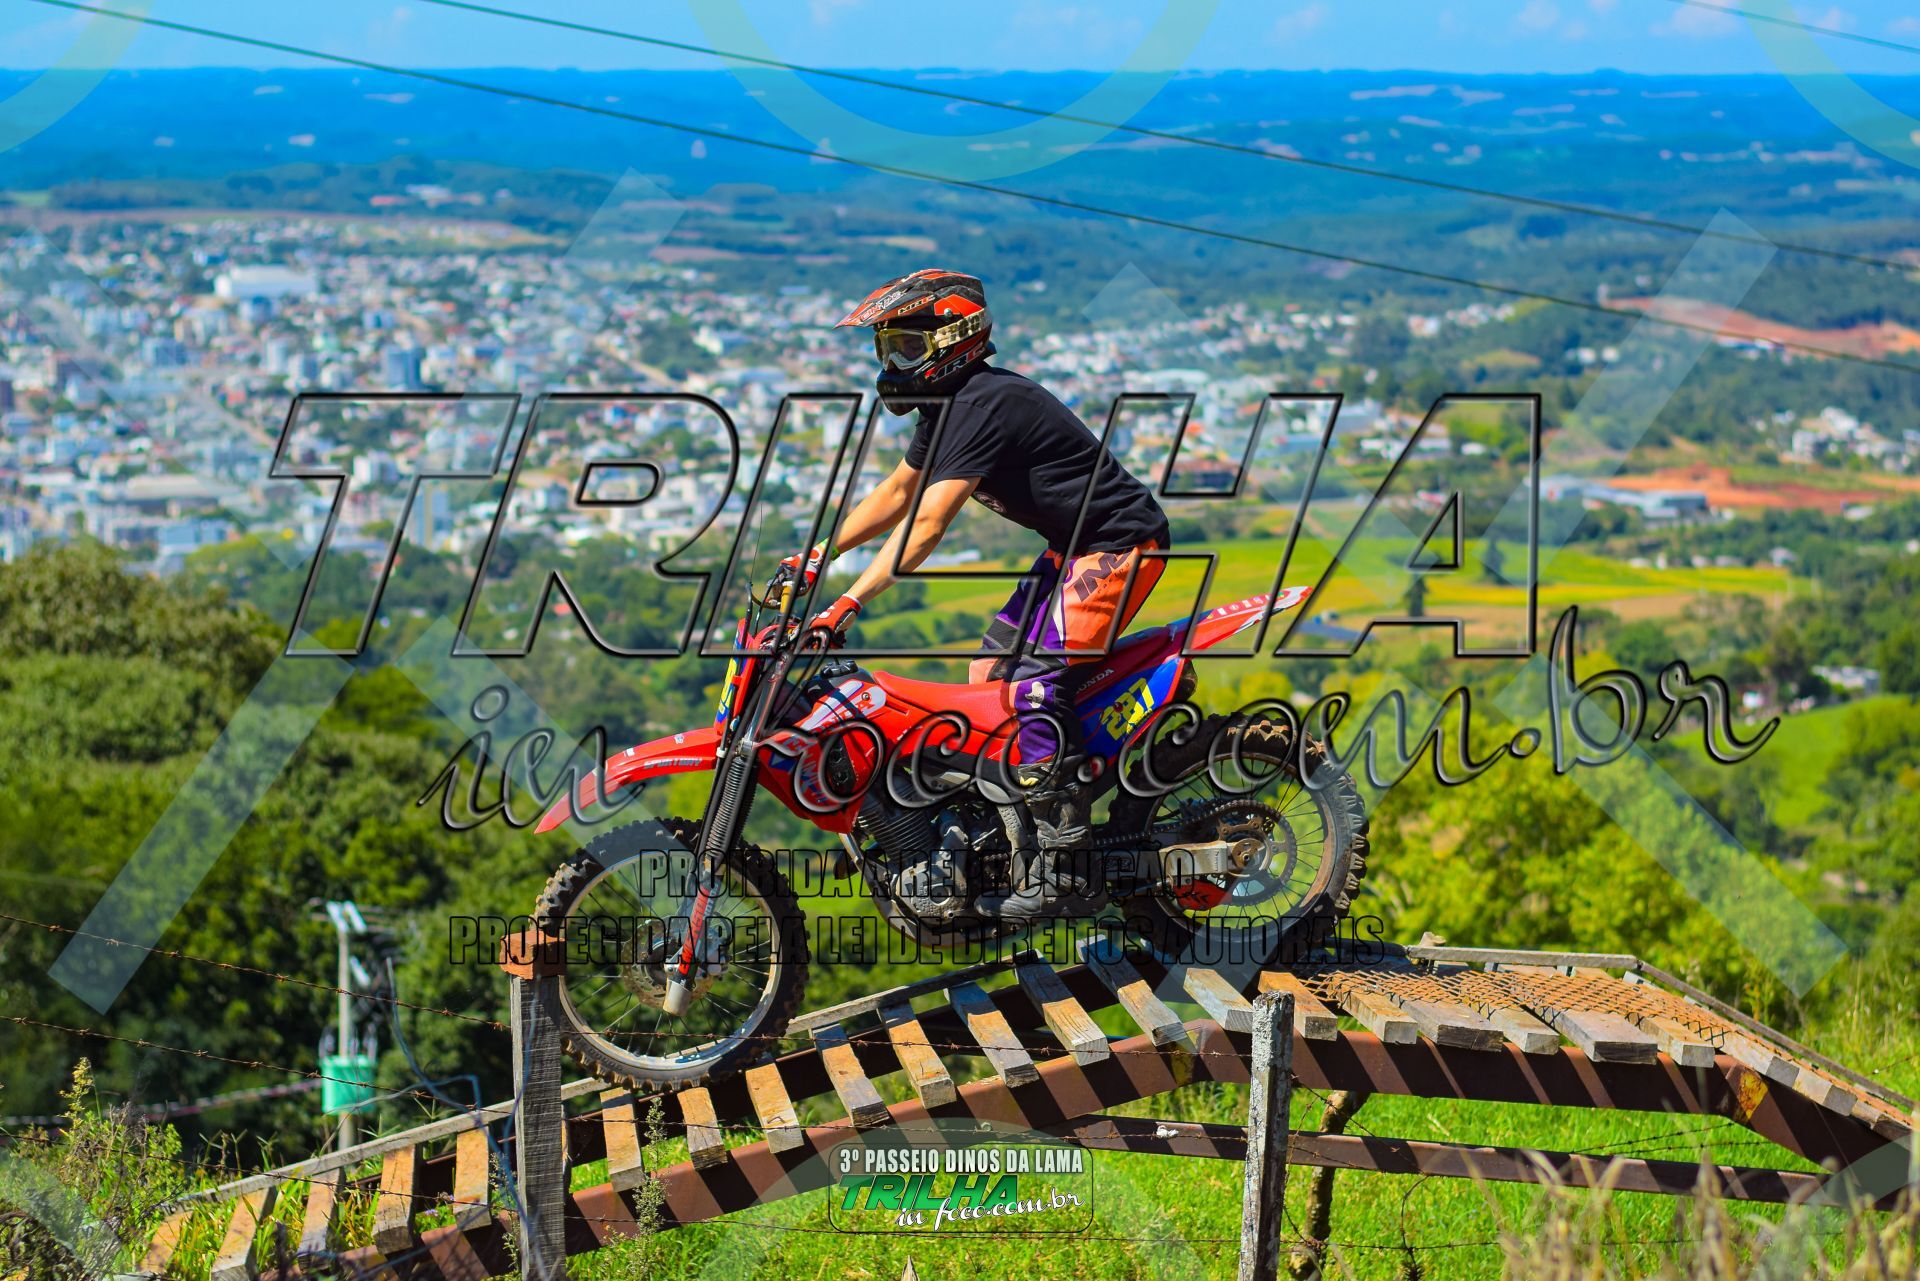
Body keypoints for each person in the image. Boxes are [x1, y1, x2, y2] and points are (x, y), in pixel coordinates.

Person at [778, 269, 1170, 908]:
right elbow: (899, 492)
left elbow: (927, 523)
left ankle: (1066, 861)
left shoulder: (985, 404)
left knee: (1035, 682)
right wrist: (821, 553)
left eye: (907, 347)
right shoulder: (949, 404)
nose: (894, 364)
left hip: (1118, 543)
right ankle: (1012, 827)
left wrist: (848, 602)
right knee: (989, 676)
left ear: (953, 338)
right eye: (888, 349)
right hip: (1069, 549)